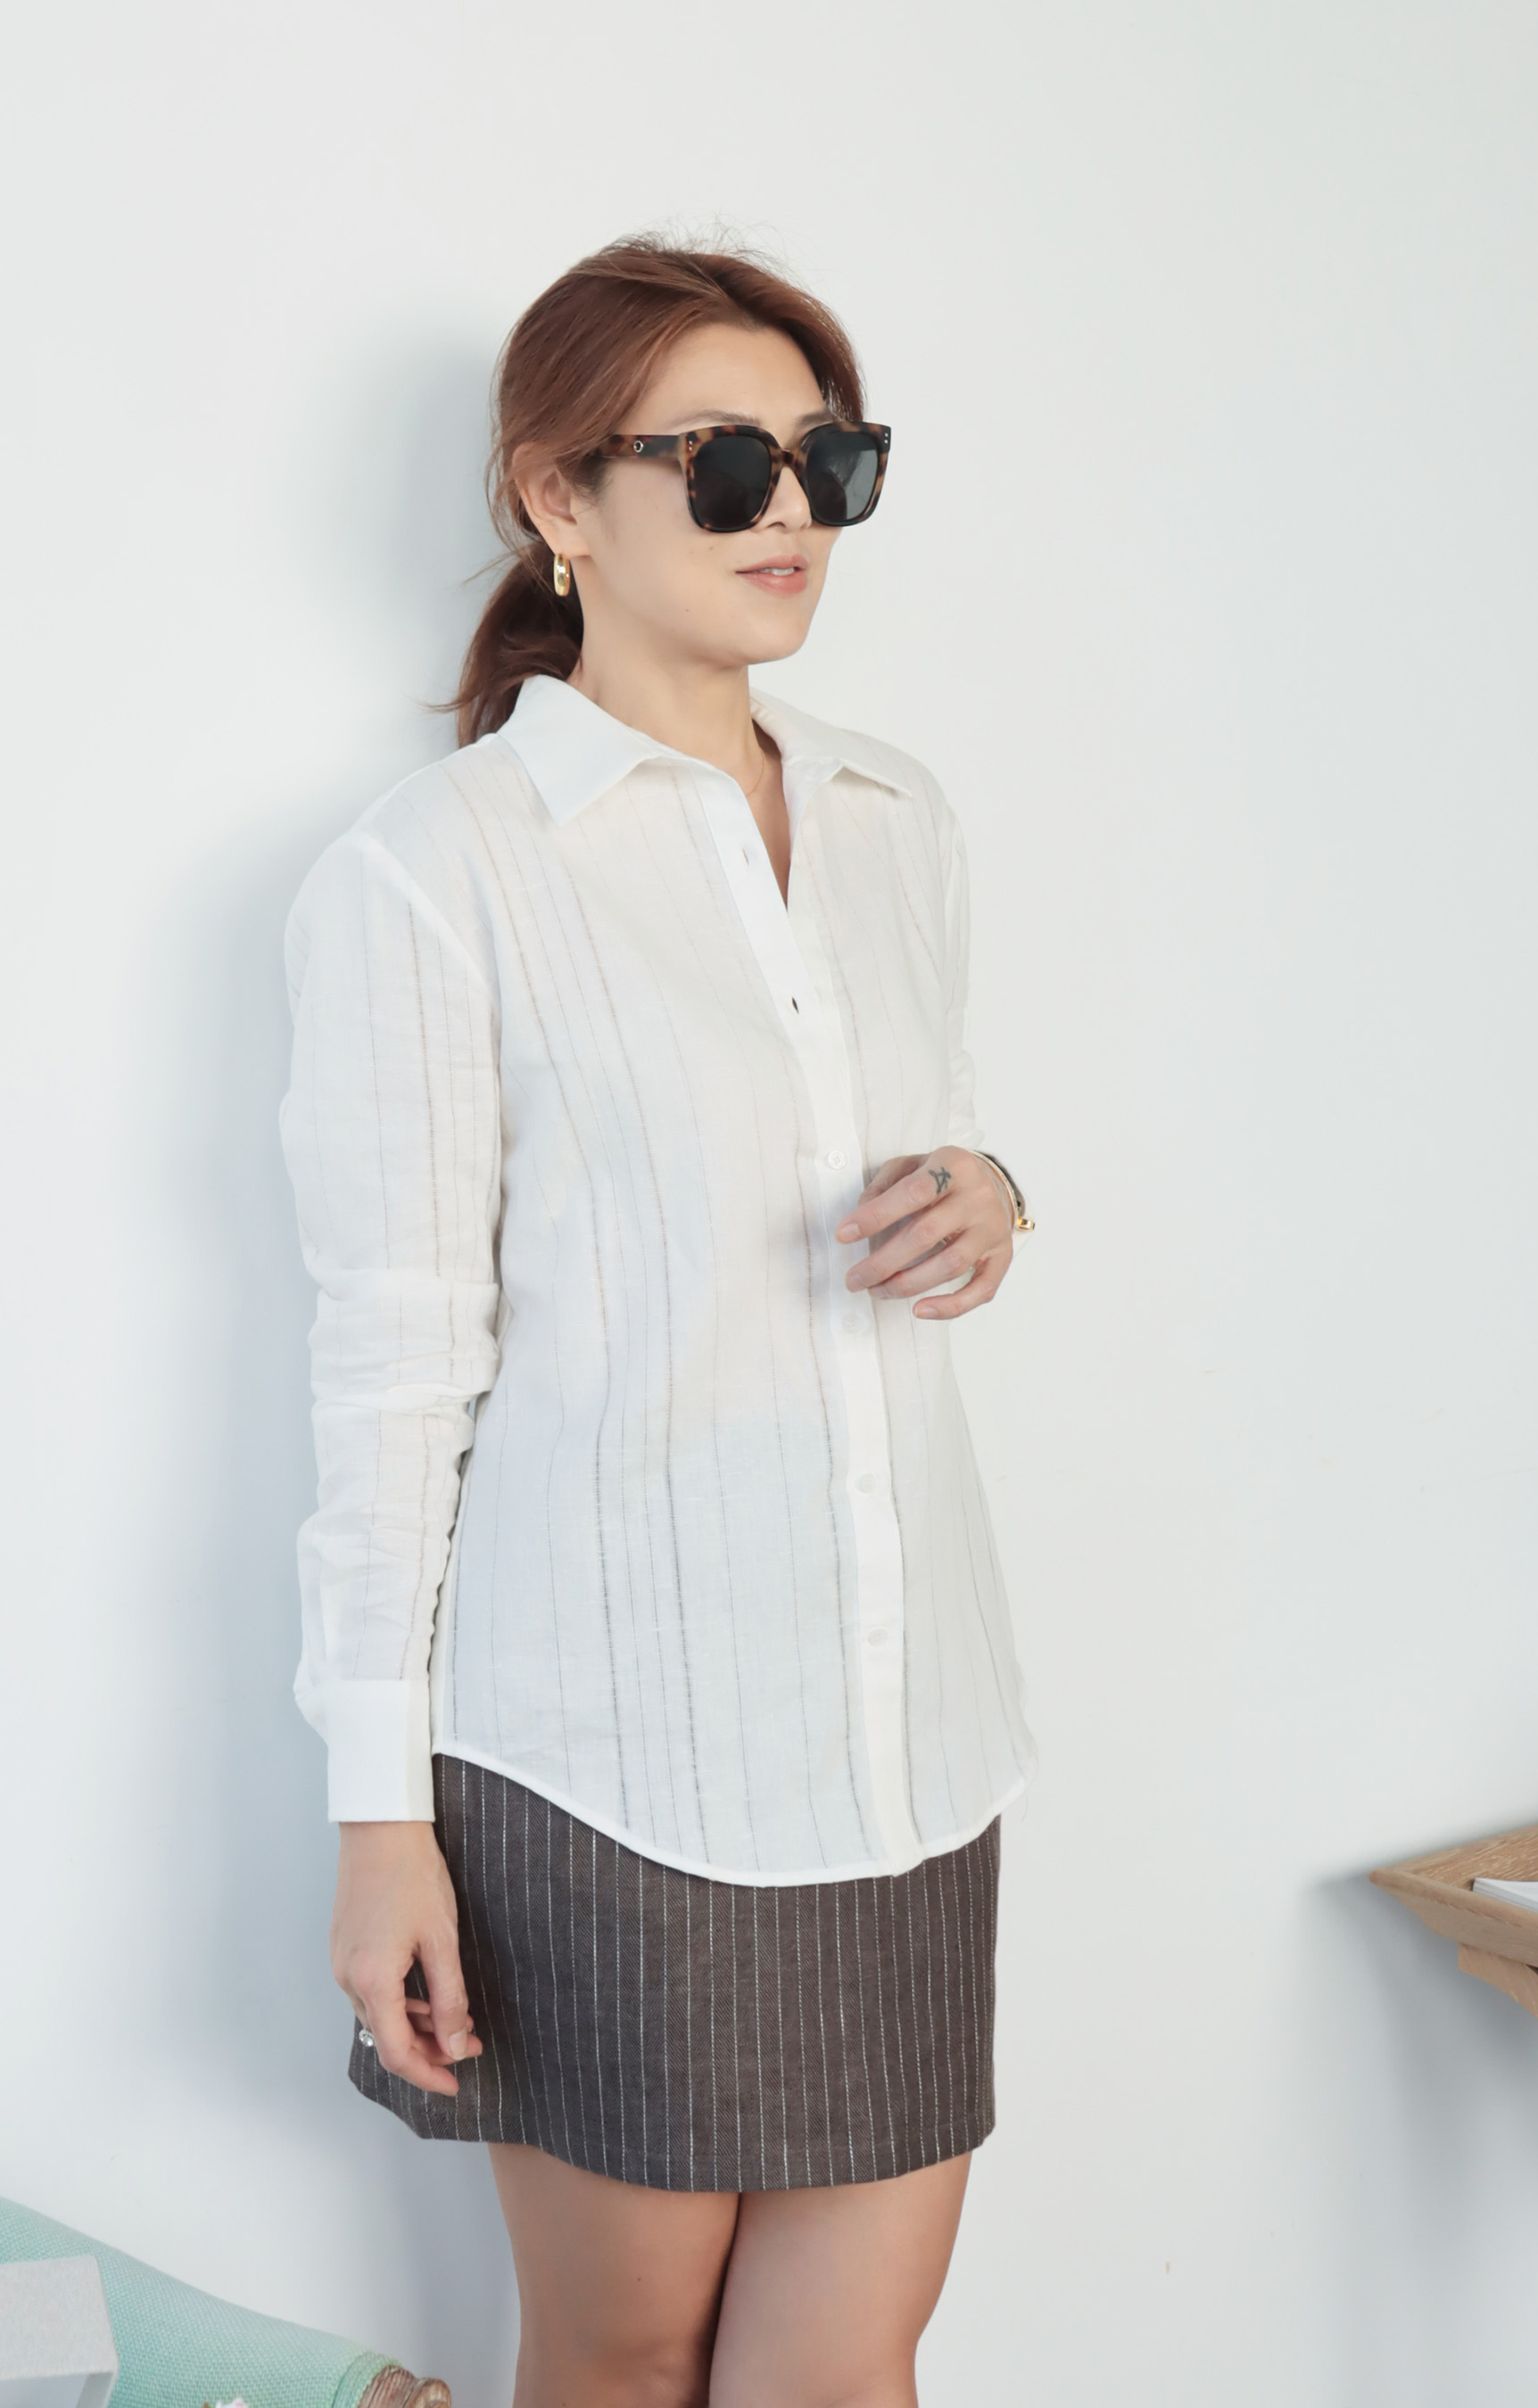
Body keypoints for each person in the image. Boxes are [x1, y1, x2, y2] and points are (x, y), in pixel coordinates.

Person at [279, 235, 1038, 2408]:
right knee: (625, 2358)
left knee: (849, 2365)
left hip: (905, 1741)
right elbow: (392, 1369)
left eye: (829, 460)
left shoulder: (894, 818)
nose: (791, 511)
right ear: (559, 497)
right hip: (612, 1758)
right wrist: (381, 1819)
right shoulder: (437, 869)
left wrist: (994, 1196)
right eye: (723, 463)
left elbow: (917, 1152)